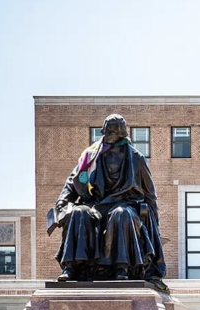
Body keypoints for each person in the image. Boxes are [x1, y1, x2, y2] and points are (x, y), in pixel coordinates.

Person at [46, 114, 167, 286]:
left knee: (121, 215)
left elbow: (150, 195)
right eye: (106, 130)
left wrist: (154, 226)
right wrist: (62, 204)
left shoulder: (136, 158)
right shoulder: (91, 155)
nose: (108, 133)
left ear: (121, 133)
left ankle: (122, 268)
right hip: (95, 204)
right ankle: (72, 267)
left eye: (113, 130)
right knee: (79, 212)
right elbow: (73, 182)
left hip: (125, 204)